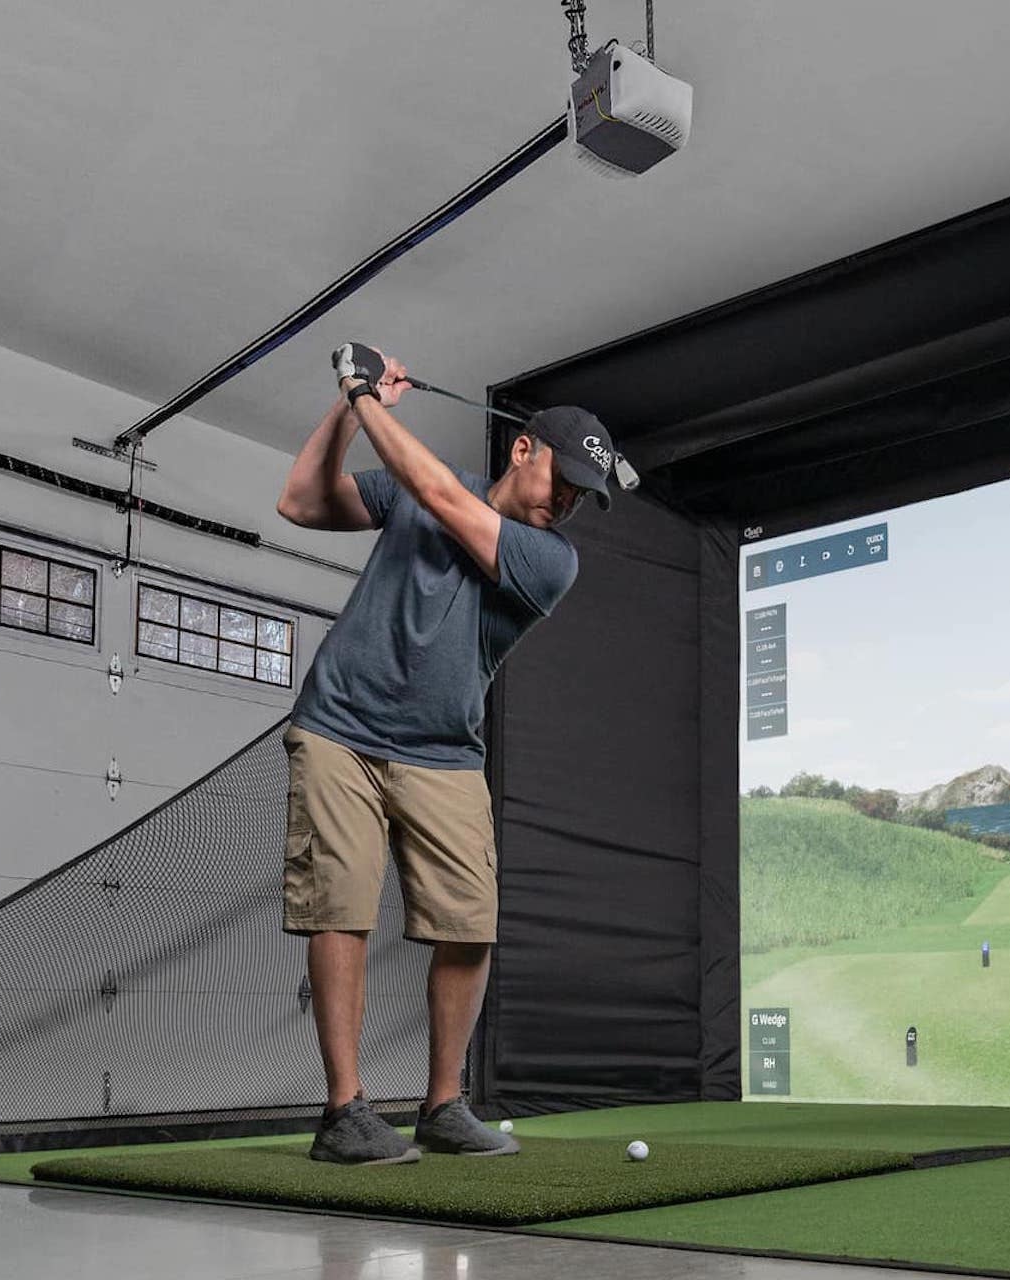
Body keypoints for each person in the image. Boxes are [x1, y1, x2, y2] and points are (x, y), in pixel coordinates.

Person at [274, 342, 616, 1164]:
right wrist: (350, 410)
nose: (566, 501)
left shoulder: (550, 558)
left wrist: (361, 393)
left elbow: (434, 490)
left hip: (445, 751)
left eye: (582, 494)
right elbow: (299, 502)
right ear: (522, 448)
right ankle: (345, 1111)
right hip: (338, 730)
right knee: (341, 908)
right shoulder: (424, 488)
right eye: (559, 478)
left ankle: (443, 1104)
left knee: (469, 924)